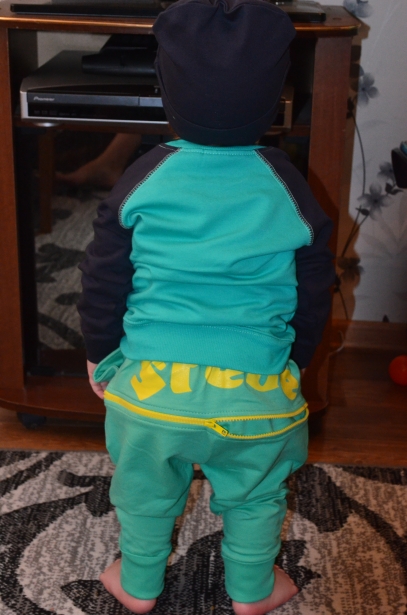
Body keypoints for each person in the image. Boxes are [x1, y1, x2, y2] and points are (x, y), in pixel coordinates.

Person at [78, 0, 335, 613]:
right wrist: (296, 360)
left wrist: (98, 354)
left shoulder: (146, 174)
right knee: (257, 493)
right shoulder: (287, 185)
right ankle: (252, 589)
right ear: (276, 95)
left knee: (144, 491)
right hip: (258, 395)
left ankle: (138, 582)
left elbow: (103, 277)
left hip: (149, 395)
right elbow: (314, 287)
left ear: (166, 90)